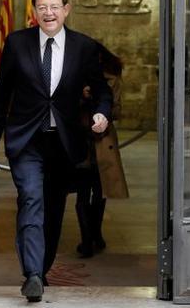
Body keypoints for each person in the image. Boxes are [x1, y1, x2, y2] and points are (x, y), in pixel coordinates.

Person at [0, 0, 113, 302]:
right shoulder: (17, 43)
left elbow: (102, 90)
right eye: (42, 7)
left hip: (64, 144)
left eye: (54, 6)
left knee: (53, 210)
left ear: (66, 10)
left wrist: (101, 112)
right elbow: (1, 94)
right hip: (27, 139)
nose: (49, 13)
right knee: (30, 199)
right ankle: (32, 274)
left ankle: (42, 267)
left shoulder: (84, 47)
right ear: (34, 12)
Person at [74, 43, 129, 258]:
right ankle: (86, 239)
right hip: (80, 137)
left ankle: (95, 234)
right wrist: (81, 95)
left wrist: (97, 99)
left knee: (99, 188)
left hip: (101, 138)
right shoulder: (75, 75)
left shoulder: (112, 77)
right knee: (82, 190)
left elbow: (116, 110)